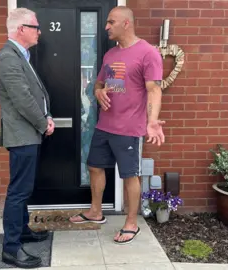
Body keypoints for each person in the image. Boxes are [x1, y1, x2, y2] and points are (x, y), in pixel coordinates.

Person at [69, 6, 165, 245]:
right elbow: (99, 84)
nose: (106, 27)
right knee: (94, 166)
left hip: (129, 128)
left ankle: (131, 223)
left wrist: (152, 122)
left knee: (130, 175)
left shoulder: (147, 53)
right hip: (105, 125)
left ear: (126, 23)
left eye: (111, 22)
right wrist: (99, 92)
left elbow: (154, 89)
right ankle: (95, 211)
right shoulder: (111, 55)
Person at [0, 8, 55, 269]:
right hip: (23, 135)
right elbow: (23, 101)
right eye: (35, 27)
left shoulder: (20, 55)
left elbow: (35, 94)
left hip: (29, 133)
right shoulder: (8, 58)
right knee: (18, 192)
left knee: (24, 189)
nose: (39, 31)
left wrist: (46, 115)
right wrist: (43, 122)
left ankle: (24, 231)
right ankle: (11, 248)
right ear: (21, 29)